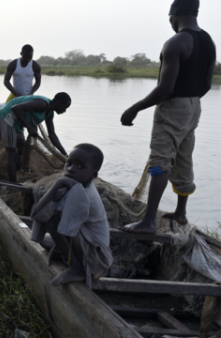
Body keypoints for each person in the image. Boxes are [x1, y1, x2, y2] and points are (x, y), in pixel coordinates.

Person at [119, 0, 216, 234]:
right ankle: (181, 213)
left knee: (159, 162)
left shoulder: (176, 42)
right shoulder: (208, 41)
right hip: (194, 106)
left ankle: (148, 222)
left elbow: (165, 88)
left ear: (174, 15)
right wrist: (190, 101)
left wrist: (134, 108)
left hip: (173, 107)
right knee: (184, 158)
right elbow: (206, 85)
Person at [30, 144, 113, 287]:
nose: (71, 169)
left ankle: (78, 268)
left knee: (52, 221)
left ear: (93, 175)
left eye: (80, 167)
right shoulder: (72, 185)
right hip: (83, 240)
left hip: (97, 253)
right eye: (69, 163)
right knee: (44, 240)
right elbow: (37, 213)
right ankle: (71, 257)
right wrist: (59, 183)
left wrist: (59, 247)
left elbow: (65, 226)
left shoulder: (83, 194)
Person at [0, 93, 71, 182]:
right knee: (11, 152)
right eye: (65, 107)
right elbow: (15, 108)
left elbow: (52, 135)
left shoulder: (49, 114)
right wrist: (29, 127)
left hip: (18, 123)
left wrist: (65, 155)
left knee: (22, 148)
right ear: (59, 103)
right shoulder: (42, 104)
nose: (64, 111)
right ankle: (13, 184)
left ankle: (16, 172)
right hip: (7, 118)